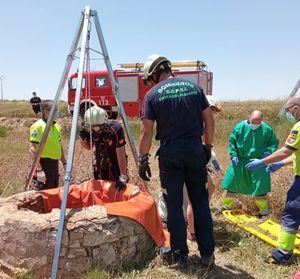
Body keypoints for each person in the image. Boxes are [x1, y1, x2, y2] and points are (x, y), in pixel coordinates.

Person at [138, 54, 215, 273]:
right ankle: (207, 255)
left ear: (154, 73)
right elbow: (209, 120)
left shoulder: (152, 95)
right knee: (200, 203)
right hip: (194, 150)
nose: (150, 83)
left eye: (149, 78)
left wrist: (143, 159)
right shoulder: (195, 89)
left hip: (170, 154)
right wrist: (207, 147)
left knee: (173, 205)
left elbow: (146, 132)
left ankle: (180, 255)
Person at [246, 96, 300, 265]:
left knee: (291, 213)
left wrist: (262, 162)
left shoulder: (298, 127)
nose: (288, 113)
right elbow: (294, 154)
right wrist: (281, 164)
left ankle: (282, 255)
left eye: (289, 109)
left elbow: (286, 150)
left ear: (296, 108)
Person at [221, 110, 279, 217]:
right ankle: (225, 207)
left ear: (262, 121)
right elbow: (232, 142)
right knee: (232, 184)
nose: (255, 125)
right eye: (253, 122)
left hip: (258, 162)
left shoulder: (266, 129)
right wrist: (233, 155)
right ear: (249, 118)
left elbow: (274, 142)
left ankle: (264, 212)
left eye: (258, 123)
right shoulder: (239, 127)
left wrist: (269, 152)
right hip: (240, 160)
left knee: (260, 187)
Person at [186, 95, 222, 241]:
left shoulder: (193, 120)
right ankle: (193, 231)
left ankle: (196, 223)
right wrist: (213, 161)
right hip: (194, 162)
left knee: (206, 191)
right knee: (195, 198)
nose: (213, 114)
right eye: (213, 110)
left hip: (192, 160)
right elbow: (201, 144)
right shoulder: (200, 123)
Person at [79, 106, 128, 190]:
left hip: (115, 164)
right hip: (100, 163)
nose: (94, 130)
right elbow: (89, 147)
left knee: (117, 189)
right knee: (101, 190)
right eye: (91, 127)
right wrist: (82, 139)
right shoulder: (90, 130)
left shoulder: (115, 129)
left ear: (103, 123)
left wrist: (123, 176)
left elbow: (121, 153)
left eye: (96, 127)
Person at [29, 100, 66, 190]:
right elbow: (33, 149)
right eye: (55, 111)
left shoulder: (55, 126)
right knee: (44, 190)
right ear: (46, 112)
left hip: (54, 163)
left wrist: (64, 163)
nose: (57, 113)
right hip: (44, 163)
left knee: (53, 188)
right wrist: (39, 170)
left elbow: (59, 145)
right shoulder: (38, 126)